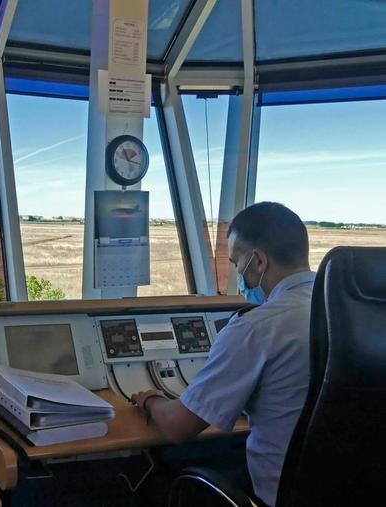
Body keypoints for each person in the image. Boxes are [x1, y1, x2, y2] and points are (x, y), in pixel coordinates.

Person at [131, 202, 315, 507]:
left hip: (281, 495)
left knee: (154, 481)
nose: (238, 275)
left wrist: (150, 401)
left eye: (236, 262)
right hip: (354, 487)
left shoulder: (256, 328)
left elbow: (179, 427)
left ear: (258, 261)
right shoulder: (358, 311)